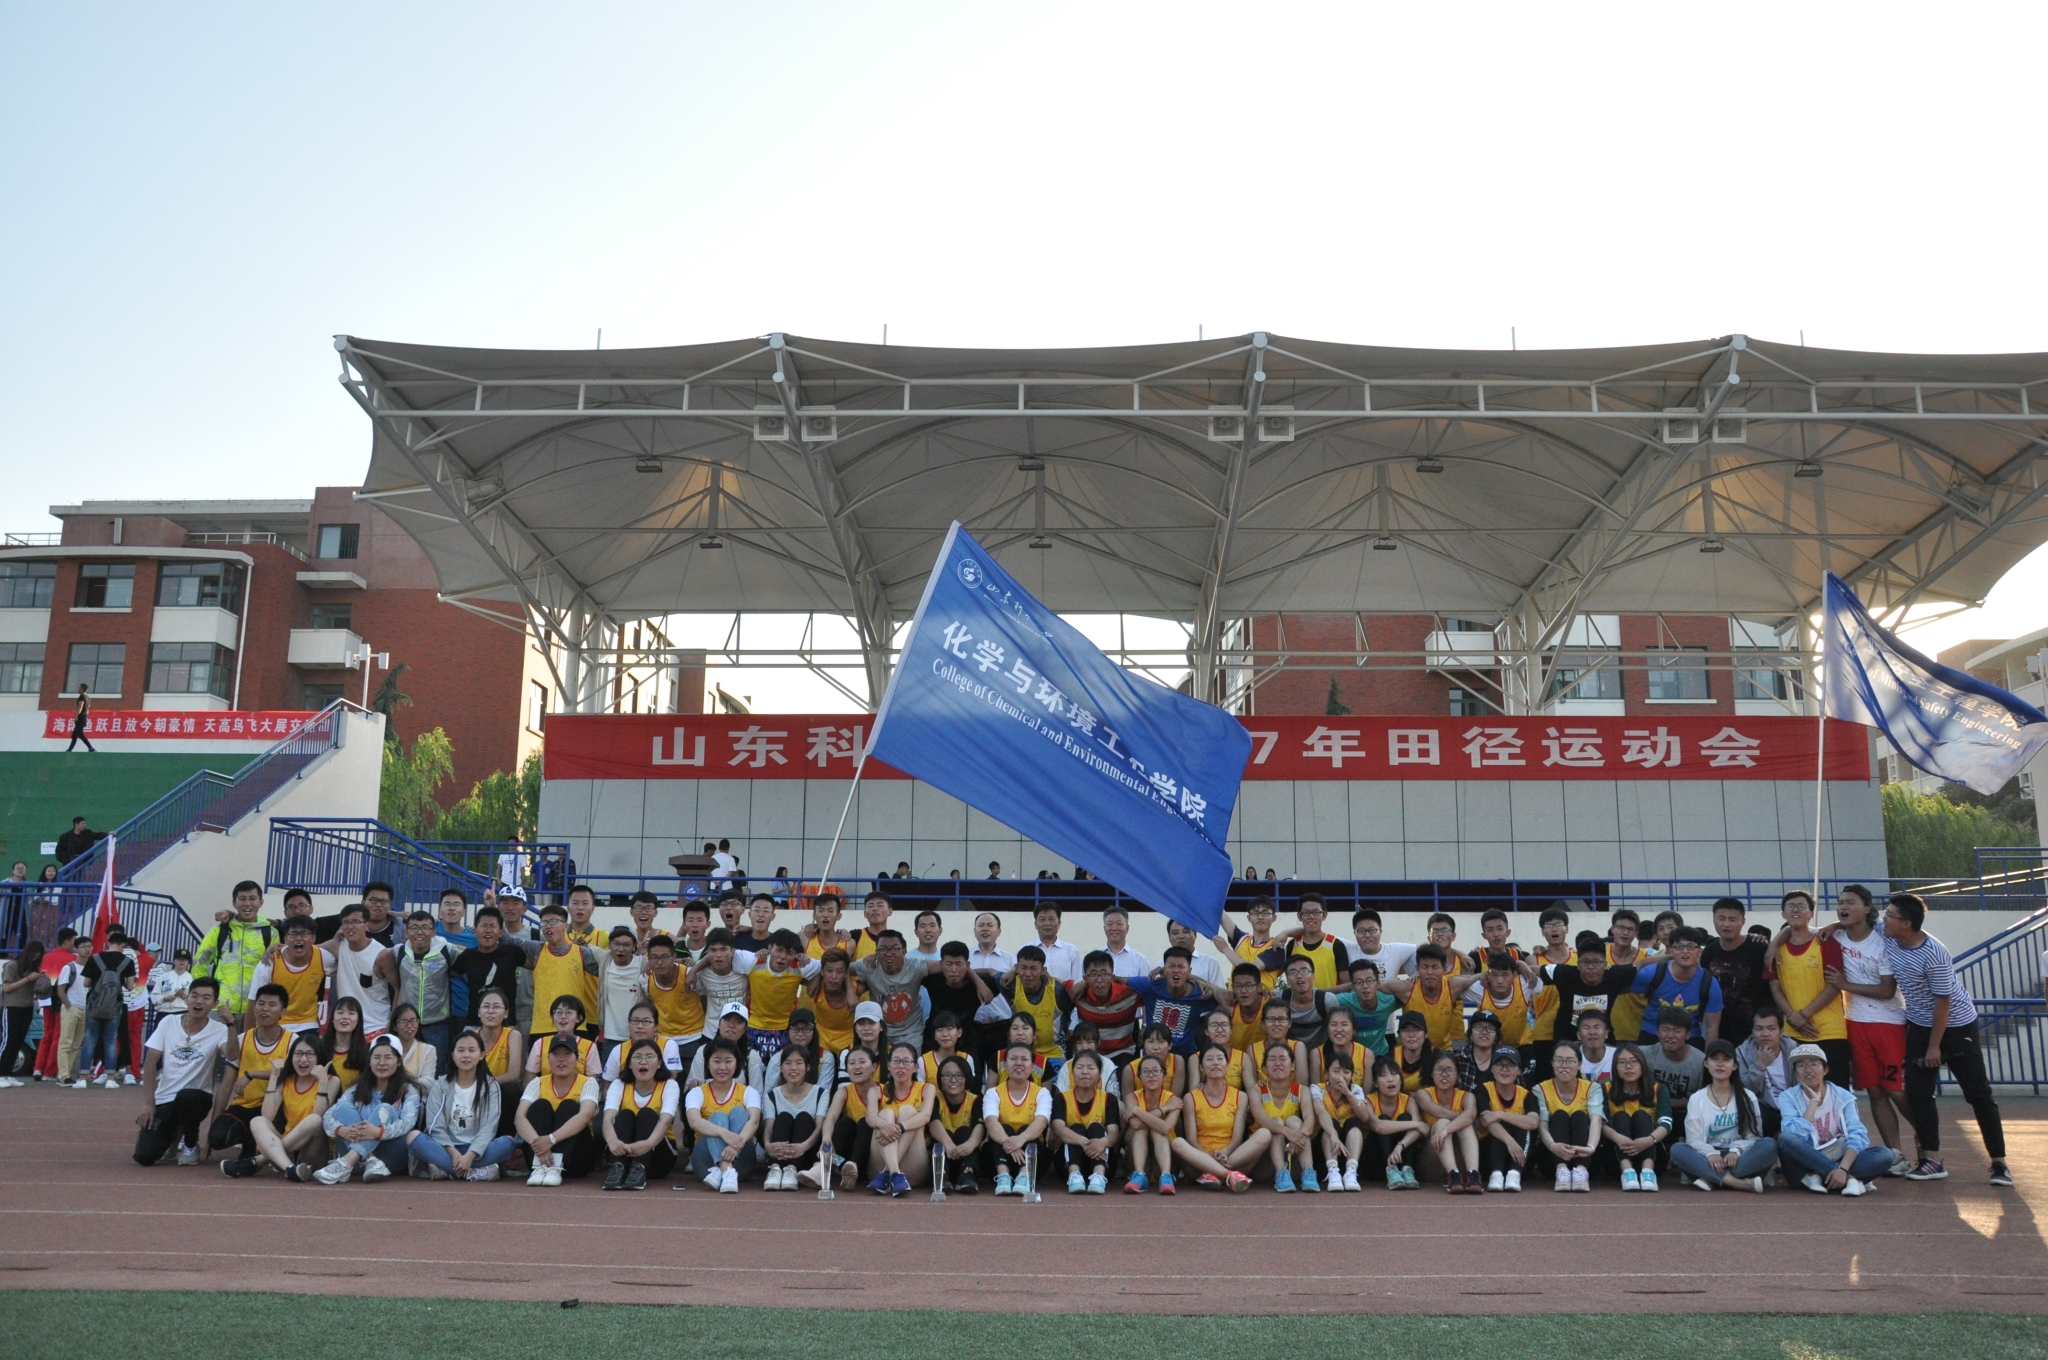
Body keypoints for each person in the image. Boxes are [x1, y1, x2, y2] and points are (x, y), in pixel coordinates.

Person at [1878, 893, 2008, 1186]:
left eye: (1889, 915)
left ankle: (1999, 1163)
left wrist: (1934, 1047)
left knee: (1978, 1094)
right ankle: (1932, 1160)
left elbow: (1943, 1002)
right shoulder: (1887, 935)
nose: (1883, 919)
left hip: (1956, 1026)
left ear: (1906, 923)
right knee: (1918, 1093)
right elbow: (1859, 921)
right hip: (1919, 1024)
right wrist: (1831, 927)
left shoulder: (1934, 953)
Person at [1823, 884, 1915, 1173]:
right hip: (1854, 1023)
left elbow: (1887, 990)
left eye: (1850, 902)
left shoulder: (1882, 939)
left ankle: (1926, 1138)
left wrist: (1845, 985)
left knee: (1896, 1090)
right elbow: (1797, 930)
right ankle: (1895, 1154)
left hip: (1888, 1024)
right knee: (1874, 1091)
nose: (1843, 906)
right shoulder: (1835, 935)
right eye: (1840, 902)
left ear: (1866, 908)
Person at [1775, 1043, 1896, 1195]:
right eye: (1801, 1065)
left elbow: (1856, 1135)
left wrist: (1843, 1168)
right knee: (1785, 1138)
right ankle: (1850, 1180)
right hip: (1804, 1165)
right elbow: (1794, 1135)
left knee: (1885, 1155)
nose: (1808, 1069)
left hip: (1839, 1158)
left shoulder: (1843, 1096)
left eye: (1814, 1064)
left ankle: (1824, 1176)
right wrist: (1814, 1102)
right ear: (1795, 1073)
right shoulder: (1787, 1097)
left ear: (1825, 1070)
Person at [133, 976, 230, 1166]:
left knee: (186, 1098)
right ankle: (171, 1138)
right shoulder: (168, 1022)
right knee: (145, 1156)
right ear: (187, 998)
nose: (199, 1001)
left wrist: (231, 1024)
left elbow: (231, 1054)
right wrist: (149, 1103)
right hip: (165, 1098)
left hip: (196, 1098)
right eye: (194, 995)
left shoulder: (219, 1030)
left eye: (206, 997)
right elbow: (151, 1063)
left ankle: (191, 1144)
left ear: (215, 1003)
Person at [405, 1028, 519, 1182]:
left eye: (472, 1050)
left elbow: (489, 1127)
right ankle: (476, 1173)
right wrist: (453, 1153)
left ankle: (447, 1170)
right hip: (446, 1148)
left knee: (508, 1143)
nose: (466, 1055)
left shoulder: (491, 1086)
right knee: (413, 1137)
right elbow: (435, 1126)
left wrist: (470, 1156)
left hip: (479, 1150)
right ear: (453, 1055)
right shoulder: (440, 1085)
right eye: (461, 1050)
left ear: (481, 1055)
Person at [1668, 1038, 1774, 1193]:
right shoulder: (1697, 1099)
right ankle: (1738, 1183)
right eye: (1714, 1059)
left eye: (1726, 1059)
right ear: (1706, 1063)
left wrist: (1736, 1151)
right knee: (1678, 1149)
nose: (1720, 1064)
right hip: (1708, 1157)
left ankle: (1710, 1178)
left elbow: (1754, 1136)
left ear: (1735, 1065)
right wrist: (1710, 1153)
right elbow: (1693, 1139)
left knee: (1769, 1145)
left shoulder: (1748, 1097)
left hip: (1739, 1157)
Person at [314, 1034, 422, 1184]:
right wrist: (340, 1130)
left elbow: (407, 1123)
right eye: (376, 1057)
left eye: (388, 1057)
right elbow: (329, 1115)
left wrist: (379, 1132)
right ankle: (368, 1159)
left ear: (398, 1062)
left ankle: (346, 1163)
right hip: (358, 1165)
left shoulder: (409, 1090)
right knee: (343, 1107)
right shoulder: (357, 1088)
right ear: (369, 1061)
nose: (382, 1063)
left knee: (383, 1109)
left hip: (389, 1158)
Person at [207, 984, 293, 1167]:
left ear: (283, 1012)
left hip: (276, 1108)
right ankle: (251, 1141)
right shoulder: (242, 1039)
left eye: (272, 1005)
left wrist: (251, 1074)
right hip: (244, 1106)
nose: (265, 1009)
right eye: (261, 1003)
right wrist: (213, 1125)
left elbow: (288, 1074)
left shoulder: (293, 1041)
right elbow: (226, 1085)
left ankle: (258, 1146)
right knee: (217, 1138)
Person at [1766, 891, 1850, 1076]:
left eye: (1801, 906)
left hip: (1830, 1032)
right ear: (1783, 913)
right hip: (1792, 1033)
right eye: (1790, 906)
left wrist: (1803, 1015)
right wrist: (1792, 1017)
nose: (1795, 910)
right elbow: (1775, 987)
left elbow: (1834, 985)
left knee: (1835, 1089)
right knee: (1798, 1089)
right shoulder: (1775, 949)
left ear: (1811, 913)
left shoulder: (1826, 941)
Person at [240, 1035, 331, 1180]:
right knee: (257, 1121)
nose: (303, 1059)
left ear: (319, 1057)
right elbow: (267, 1116)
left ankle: (260, 1160)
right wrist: (274, 1077)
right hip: (287, 1151)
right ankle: (289, 1168)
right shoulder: (287, 1080)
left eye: (310, 1054)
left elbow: (318, 1116)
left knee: (314, 1120)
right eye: (298, 1054)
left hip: (313, 1151)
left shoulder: (331, 1080)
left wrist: (322, 1082)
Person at [515, 1035, 602, 1186]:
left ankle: (555, 1166)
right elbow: (519, 1118)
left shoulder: (589, 1083)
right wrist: (540, 1146)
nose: (561, 1059)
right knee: (540, 1106)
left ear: (577, 1059)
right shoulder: (537, 1083)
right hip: (538, 1156)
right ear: (548, 1059)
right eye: (555, 1054)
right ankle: (540, 1166)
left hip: (575, 1160)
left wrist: (550, 1140)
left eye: (567, 1054)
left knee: (569, 1106)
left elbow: (585, 1116)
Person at [1169, 1043, 1255, 1192]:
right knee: (1177, 1143)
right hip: (1199, 1163)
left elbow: (1237, 1137)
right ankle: (1229, 1176)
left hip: (1230, 1158)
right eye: (1209, 1059)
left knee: (1265, 1134)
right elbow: (1191, 1140)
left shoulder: (1240, 1096)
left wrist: (1225, 1153)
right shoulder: (1191, 1097)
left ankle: (1218, 1174)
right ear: (1201, 1068)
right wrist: (1208, 1158)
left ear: (1227, 1066)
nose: (1215, 1063)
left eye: (1220, 1059)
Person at [599, 1038, 679, 1190]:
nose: (643, 1062)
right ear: (629, 1064)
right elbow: (607, 1119)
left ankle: (640, 1167)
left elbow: (665, 1120)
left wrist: (648, 1144)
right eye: (637, 1057)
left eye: (649, 1057)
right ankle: (618, 1166)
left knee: (647, 1114)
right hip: (623, 1150)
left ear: (659, 1063)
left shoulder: (670, 1085)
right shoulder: (619, 1084)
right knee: (625, 1115)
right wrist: (612, 1141)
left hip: (657, 1155)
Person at [193, 881, 274, 1027]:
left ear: (261, 902)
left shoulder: (270, 933)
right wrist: (207, 997)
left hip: (256, 1008)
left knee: (248, 1043)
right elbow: (199, 964)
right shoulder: (219, 931)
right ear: (234, 903)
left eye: (252, 898)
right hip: (220, 1008)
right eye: (242, 899)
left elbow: (275, 970)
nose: (247, 903)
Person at [684, 1038, 760, 1193]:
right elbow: (694, 1122)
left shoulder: (748, 1092)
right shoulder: (697, 1092)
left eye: (728, 1061)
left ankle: (725, 1171)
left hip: (741, 1161)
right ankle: (727, 1170)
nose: (722, 1067)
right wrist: (723, 1133)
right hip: (706, 1166)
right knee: (718, 1117)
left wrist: (734, 1145)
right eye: (717, 1061)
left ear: (737, 1064)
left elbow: (754, 1121)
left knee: (739, 1112)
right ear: (708, 1064)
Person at [1627, 928, 1722, 1046]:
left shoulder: (1709, 983)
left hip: (1690, 1039)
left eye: (1691, 947)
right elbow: (1622, 991)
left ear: (1699, 951)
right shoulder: (1651, 974)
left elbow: (1712, 1027)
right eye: (1679, 947)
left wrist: (1709, 1056)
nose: (1685, 951)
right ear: (1671, 950)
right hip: (1652, 1036)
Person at [982, 1041, 1054, 1196]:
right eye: (1013, 1059)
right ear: (1005, 1065)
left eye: (1024, 1059)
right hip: (998, 1157)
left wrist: (1020, 1139)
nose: (1019, 1063)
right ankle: (1003, 1176)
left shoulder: (1042, 1093)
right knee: (1005, 1128)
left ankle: (1024, 1176)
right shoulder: (993, 1093)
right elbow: (991, 1122)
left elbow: (1041, 1122)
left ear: (1032, 1066)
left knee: (1026, 1130)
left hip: (1033, 1159)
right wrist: (1010, 1144)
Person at [1601, 1042, 1671, 1192]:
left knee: (1641, 1116)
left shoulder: (1658, 1089)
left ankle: (1648, 1172)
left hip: (1654, 1156)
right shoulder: (1605, 1088)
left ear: (1642, 1065)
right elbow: (1600, 1123)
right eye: (1622, 1062)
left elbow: (1666, 1124)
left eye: (1634, 1061)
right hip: (1616, 1160)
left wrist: (1648, 1141)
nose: (1628, 1067)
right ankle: (1627, 1172)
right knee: (1620, 1117)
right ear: (1615, 1067)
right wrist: (1618, 1138)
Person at [1535, 1041, 1603, 1192]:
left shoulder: (1592, 1088)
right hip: (1551, 1158)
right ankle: (1562, 1170)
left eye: (1570, 1061)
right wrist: (1553, 1146)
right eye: (1559, 1060)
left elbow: (1596, 1120)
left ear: (1579, 1065)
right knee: (1559, 1116)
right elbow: (1542, 1124)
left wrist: (1590, 1148)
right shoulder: (1540, 1089)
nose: (1564, 1066)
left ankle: (1581, 1170)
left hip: (1587, 1159)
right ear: (1552, 1063)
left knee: (1580, 1116)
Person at [868, 1042, 935, 1196]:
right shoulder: (876, 1090)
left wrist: (899, 1128)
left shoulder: (926, 1088)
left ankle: (890, 1172)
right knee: (885, 1114)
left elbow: (925, 1116)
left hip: (913, 1166)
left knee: (908, 1111)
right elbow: (870, 1117)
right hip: (879, 1164)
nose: (900, 1066)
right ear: (889, 1066)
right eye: (896, 1061)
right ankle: (895, 1174)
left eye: (906, 1061)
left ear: (915, 1067)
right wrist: (883, 1124)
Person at [1702, 897, 1772, 1043]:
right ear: (1714, 920)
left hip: (1756, 1029)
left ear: (1743, 921)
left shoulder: (1760, 949)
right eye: (1721, 919)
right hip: (1721, 1028)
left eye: (1732, 919)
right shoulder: (1709, 952)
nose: (1726, 924)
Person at [394, 911, 458, 1071]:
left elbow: (467, 962)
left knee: (436, 1070)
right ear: (406, 932)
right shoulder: (397, 952)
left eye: (425, 928)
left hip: (437, 1024)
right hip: (406, 1023)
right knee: (404, 1068)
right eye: (414, 928)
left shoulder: (447, 950)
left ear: (434, 932)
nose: (419, 932)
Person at [764, 1045, 831, 1191]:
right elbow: (769, 1126)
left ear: (807, 1067)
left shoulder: (821, 1093)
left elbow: (819, 1127)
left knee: (804, 1117)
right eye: (788, 1063)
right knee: (784, 1117)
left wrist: (803, 1147)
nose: (793, 1068)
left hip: (806, 1153)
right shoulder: (772, 1095)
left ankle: (792, 1169)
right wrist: (768, 1145)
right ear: (781, 1068)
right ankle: (775, 1168)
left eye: (799, 1063)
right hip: (778, 1153)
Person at [1052, 1049, 1119, 1194]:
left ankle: (1098, 1176)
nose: (1085, 1072)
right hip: (1066, 1164)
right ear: (1072, 1073)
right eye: (1080, 1067)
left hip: (1104, 1161)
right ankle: (1074, 1175)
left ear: (1099, 1074)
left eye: (1091, 1068)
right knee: (1076, 1127)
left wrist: (1102, 1142)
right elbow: (1058, 1128)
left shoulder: (1109, 1099)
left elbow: (1114, 1133)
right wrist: (1084, 1142)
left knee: (1096, 1127)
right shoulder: (1061, 1098)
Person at [79, 929, 138, 1086]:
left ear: (109, 942)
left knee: (90, 1039)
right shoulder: (127, 961)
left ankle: (82, 1078)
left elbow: (86, 983)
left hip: (94, 1005)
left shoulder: (95, 958)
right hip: (114, 1006)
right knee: (110, 1040)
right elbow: (130, 987)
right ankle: (111, 1078)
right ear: (123, 944)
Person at [1416, 1050, 1481, 1193]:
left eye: (1450, 1070)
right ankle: (1453, 1174)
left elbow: (1470, 1116)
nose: (1444, 1074)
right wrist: (1457, 1121)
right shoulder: (1423, 1094)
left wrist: (1447, 1130)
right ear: (1432, 1073)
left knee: (1465, 1125)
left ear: (1457, 1075)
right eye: (1439, 1070)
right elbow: (1439, 1112)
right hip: (1432, 1160)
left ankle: (1473, 1174)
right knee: (1443, 1122)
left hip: (1461, 1160)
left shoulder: (1467, 1096)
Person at [246, 919, 324, 1035]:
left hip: (307, 1023)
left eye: (304, 933)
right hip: (275, 1023)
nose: (299, 938)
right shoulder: (269, 962)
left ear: (313, 938)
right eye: (293, 934)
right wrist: (248, 1037)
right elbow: (253, 1001)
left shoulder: (323, 957)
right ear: (285, 938)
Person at [1475, 1048, 1537, 1192]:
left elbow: (1533, 1122)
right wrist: (1510, 1142)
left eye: (1510, 1065)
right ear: (1492, 1069)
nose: (1505, 1069)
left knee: (1523, 1126)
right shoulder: (1482, 1090)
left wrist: (1499, 1114)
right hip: (1489, 1155)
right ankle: (1496, 1174)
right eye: (1499, 1065)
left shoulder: (1527, 1095)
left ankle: (1515, 1174)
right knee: (1499, 1125)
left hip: (1520, 1156)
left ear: (1519, 1070)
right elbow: (1486, 1120)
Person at [1122, 1051, 1181, 1194]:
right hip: (1139, 1159)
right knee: (1141, 1129)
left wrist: (1137, 1111)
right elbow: (1136, 1125)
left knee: (1158, 1130)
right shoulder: (1132, 1097)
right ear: (1139, 1077)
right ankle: (1139, 1175)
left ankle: (1166, 1176)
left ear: (1164, 1076)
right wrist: (1164, 1109)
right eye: (1146, 1072)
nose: (1151, 1075)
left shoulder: (1173, 1100)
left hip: (1167, 1157)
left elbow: (1165, 1128)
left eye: (1155, 1071)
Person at [824, 1045, 880, 1192]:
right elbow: (831, 1118)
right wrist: (826, 1140)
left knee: (865, 1123)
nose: (857, 1067)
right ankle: (832, 1166)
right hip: (846, 1159)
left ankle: (854, 1166)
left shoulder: (884, 1091)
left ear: (874, 1066)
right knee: (845, 1123)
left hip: (875, 1156)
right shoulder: (844, 1092)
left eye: (862, 1062)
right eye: (852, 1063)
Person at [927, 1054, 986, 1194]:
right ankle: (941, 1176)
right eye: (947, 1075)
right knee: (943, 1135)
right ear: (940, 1079)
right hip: (944, 1154)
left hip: (967, 1156)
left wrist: (970, 1145)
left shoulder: (976, 1100)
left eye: (959, 1075)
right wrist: (948, 1144)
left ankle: (968, 1175)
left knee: (964, 1131)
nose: (953, 1080)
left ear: (966, 1078)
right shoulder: (935, 1098)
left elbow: (980, 1126)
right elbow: (933, 1122)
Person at [1364, 1057, 1425, 1189]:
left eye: (1394, 1074)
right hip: (1376, 1159)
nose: (1390, 1079)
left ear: (1400, 1079)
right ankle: (1391, 1170)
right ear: (1376, 1083)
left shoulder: (1408, 1101)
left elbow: (1421, 1130)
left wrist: (1400, 1145)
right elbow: (1378, 1126)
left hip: (1400, 1155)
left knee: (1406, 1117)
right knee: (1384, 1118)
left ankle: (1407, 1169)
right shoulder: (1368, 1100)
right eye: (1383, 1075)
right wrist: (1416, 1124)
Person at [1312, 1049, 1369, 1192]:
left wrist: (1347, 1092)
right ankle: (1333, 1172)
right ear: (1326, 1073)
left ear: (1352, 1075)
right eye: (1336, 1071)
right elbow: (1320, 1112)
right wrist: (1333, 1135)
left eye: (1346, 1072)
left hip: (1351, 1149)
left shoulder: (1355, 1090)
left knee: (1354, 1123)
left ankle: (1351, 1172)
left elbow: (1365, 1117)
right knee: (1332, 1124)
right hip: (1326, 1146)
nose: (1341, 1076)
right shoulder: (1317, 1088)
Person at [1735, 1005, 1795, 1136]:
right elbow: (1743, 1091)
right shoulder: (1742, 1052)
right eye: (1759, 1029)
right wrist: (1759, 1067)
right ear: (1752, 1032)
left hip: (1794, 1109)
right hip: (1763, 1112)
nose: (1765, 1034)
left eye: (1771, 1028)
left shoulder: (1794, 1051)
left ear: (1781, 1031)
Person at [0, 940, 46, 1083]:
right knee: (9, 1041)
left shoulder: (33, 968)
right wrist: (27, 979)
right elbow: (6, 988)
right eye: (34, 955)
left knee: (18, 1041)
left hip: (27, 1007)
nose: (36, 958)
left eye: (39, 956)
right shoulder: (12, 966)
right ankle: (1, 1074)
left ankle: (8, 1074)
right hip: (11, 1007)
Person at [1644, 1006, 1706, 1111]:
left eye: (1677, 1031)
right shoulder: (1646, 1053)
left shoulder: (1701, 1062)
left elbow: (1704, 1100)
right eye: (1665, 1030)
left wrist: (1668, 1102)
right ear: (1657, 1032)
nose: (1670, 1035)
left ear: (1688, 1034)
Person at [317, 996, 371, 1096]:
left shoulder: (367, 1052)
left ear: (358, 1021)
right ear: (332, 1019)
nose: (345, 1017)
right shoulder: (319, 1049)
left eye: (351, 1013)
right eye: (340, 1012)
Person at [387, 1003, 438, 1083]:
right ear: (394, 1027)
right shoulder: (385, 1048)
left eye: (413, 1021)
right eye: (404, 1021)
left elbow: (428, 1081)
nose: (409, 1026)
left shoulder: (428, 1050)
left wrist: (407, 1087)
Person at [1099, 906, 1150, 974]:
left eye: (1119, 924)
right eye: (1109, 924)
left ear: (1127, 928)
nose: (1114, 928)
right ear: (1104, 928)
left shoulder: (1140, 960)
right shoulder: (1094, 959)